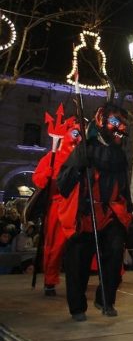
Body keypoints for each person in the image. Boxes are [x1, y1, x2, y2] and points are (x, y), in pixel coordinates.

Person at [57, 103, 132, 321]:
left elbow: (124, 186)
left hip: (110, 214)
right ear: (102, 121)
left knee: (115, 256)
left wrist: (127, 207)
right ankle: (78, 307)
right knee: (78, 263)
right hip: (85, 214)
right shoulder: (85, 149)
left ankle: (106, 300)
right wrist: (79, 165)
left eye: (123, 124)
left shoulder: (119, 155)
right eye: (116, 122)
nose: (120, 129)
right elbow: (63, 184)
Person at [30, 104, 81, 296]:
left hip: (77, 208)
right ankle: (50, 280)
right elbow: (38, 179)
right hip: (57, 207)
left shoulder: (81, 159)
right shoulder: (51, 157)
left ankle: (78, 279)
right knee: (54, 245)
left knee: (79, 248)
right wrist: (47, 175)